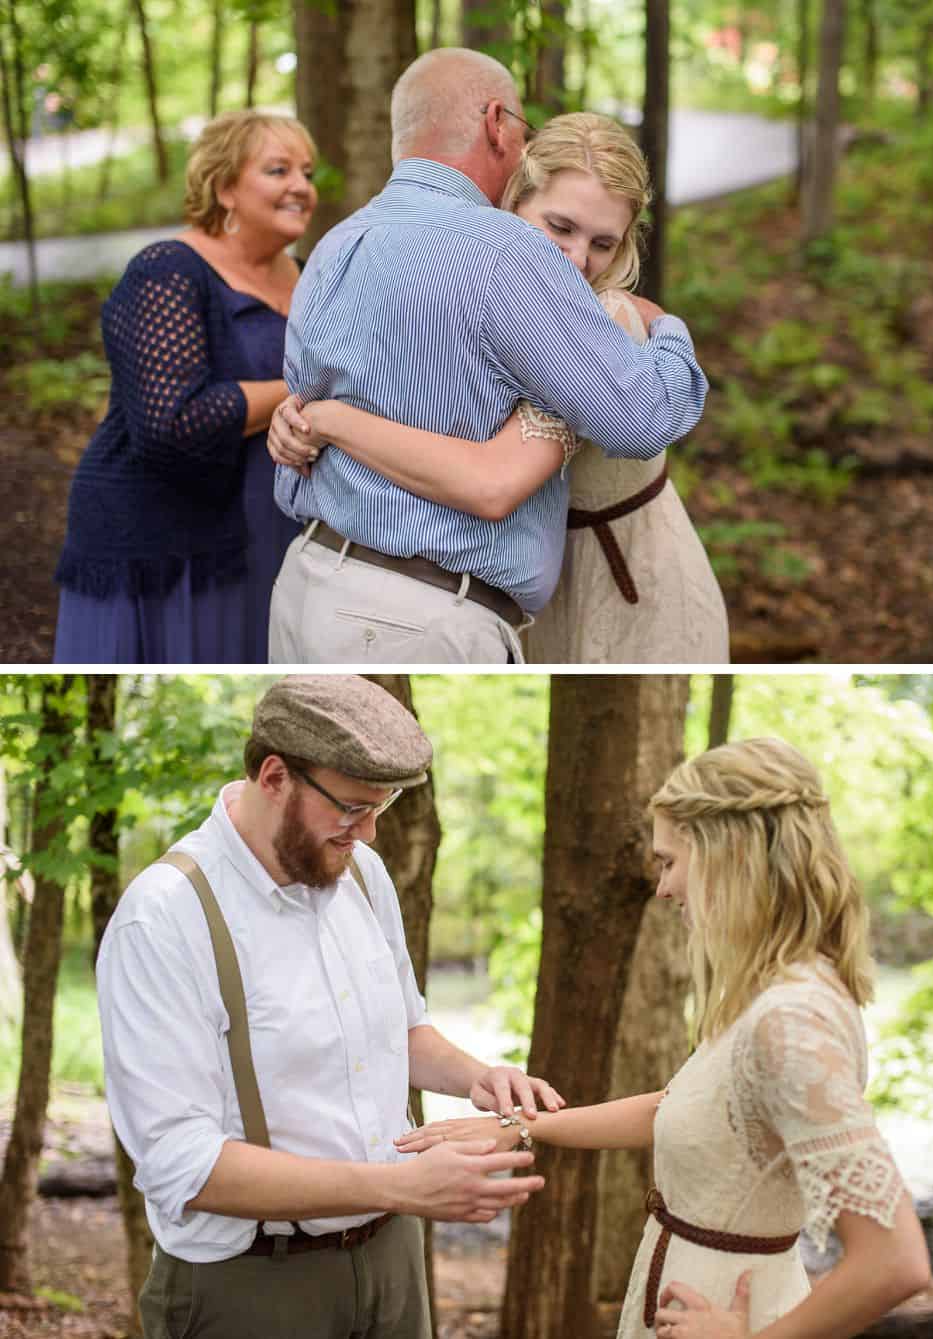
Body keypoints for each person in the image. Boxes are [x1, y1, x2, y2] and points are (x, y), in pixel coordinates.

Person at [395, 737, 931, 1339]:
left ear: (730, 854)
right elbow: (680, 1110)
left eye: (670, 861)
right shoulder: (765, 994)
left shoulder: (792, 1021)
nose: (663, 888)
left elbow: (895, 1260)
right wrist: (523, 1126)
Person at [96, 675, 563, 1339]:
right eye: (350, 807)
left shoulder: (362, 876)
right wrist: (402, 1186)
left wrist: (476, 1077)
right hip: (252, 1283)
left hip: (391, 1261)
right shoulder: (166, 916)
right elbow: (182, 1163)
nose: (367, 832)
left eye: (382, 807)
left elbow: (405, 1030)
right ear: (274, 776)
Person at [269, 48, 709, 664]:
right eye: (560, 227)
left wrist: (315, 421)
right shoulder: (508, 256)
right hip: (412, 614)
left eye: (602, 242)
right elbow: (641, 421)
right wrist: (669, 332)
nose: (575, 258)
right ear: (499, 124)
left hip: (305, 585)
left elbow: (316, 401)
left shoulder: (337, 244)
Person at [54, 110, 318, 663]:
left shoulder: (309, 274)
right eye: (278, 170)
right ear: (224, 188)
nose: (301, 187)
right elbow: (174, 420)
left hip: (271, 529)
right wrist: (305, 390)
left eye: (307, 173)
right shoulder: (167, 270)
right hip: (166, 540)